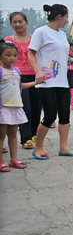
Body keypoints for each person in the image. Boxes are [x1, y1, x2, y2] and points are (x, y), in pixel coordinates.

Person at [28, 4, 73, 159]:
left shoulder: (61, 35)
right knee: (50, 115)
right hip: (46, 81)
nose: (67, 21)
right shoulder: (41, 32)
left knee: (65, 115)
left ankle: (64, 147)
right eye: (66, 17)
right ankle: (38, 148)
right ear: (59, 17)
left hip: (62, 81)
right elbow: (31, 54)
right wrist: (37, 71)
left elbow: (62, 56)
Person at [4, 12, 41, 149]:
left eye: (21, 21)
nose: (18, 24)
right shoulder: (9, 40)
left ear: (26, 23)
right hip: (17, 77)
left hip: (36, 75)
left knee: (37, 107)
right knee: (26, 108)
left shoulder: (34, 39)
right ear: (11, 24)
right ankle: (26, 139)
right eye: (14, 22)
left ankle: (33, 133)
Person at [0, 43, 38, 171]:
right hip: (3, 108)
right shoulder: (0, 71)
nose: (12, 58)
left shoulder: (16, 71)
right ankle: (1, 162)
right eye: (8, 55)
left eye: (15, 55)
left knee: (12, 134)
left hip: (15, 106)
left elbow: (20, 86)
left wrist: (35, 83)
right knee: (1, 135)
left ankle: (13, 159)